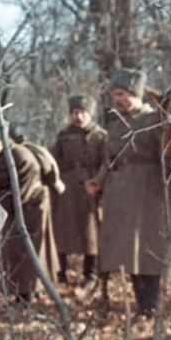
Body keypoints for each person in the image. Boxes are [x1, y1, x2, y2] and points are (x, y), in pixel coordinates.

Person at [84, 69, 171, 317]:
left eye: (122, 94)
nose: (117, 99)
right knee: (128, 252)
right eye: (115, 94)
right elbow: (109, 160)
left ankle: (152, 304)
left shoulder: (155, 119)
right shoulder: (115, 123)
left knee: (148, 249)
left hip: (150, 192)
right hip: (119, 193)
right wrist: (98, 181)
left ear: (136, 94)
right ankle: (141, 304)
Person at [0, 118, 55, 304]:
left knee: (30, 251)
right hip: (12, 208)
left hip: (32, 207)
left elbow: (23, 191)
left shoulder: (21, 156)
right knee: (11, 250)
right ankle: (18, 291)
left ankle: (29, 293)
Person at [49, 94, 106, 284]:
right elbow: (52, 160)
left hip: (91, 190)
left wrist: (100, 187)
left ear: (90, 114)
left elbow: (107, 164)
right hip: (66, 191)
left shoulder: (100, 136)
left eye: (82, 113)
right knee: (62, 233)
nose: (78, 117)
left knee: (91, 235)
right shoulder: (64, 136)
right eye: (75, 113)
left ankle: (90, 275)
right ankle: (60, 273)